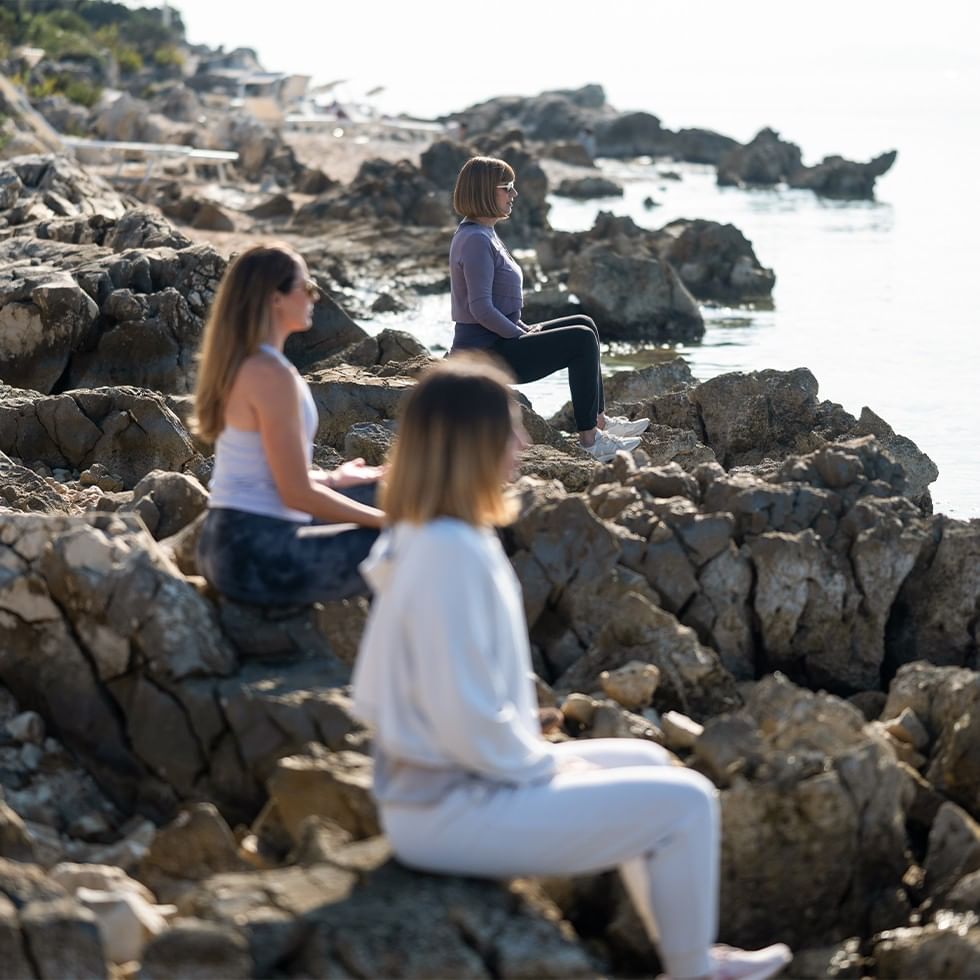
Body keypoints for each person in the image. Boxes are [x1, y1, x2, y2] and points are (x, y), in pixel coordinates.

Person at [352, 357, 792, 980]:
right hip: (446, 811)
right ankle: (693, 971)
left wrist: (534, 755)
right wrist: (536, 766)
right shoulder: (446, 555)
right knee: (688, 803)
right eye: (511, 430)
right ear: (473, 444)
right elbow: (461, 716)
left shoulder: (438, 534)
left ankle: (689, 955)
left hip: (448, 786)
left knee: (647, 760)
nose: (525, 443)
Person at [193, 243, 385, 606]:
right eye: (307, 287)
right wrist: (386, 522)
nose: (315, 296)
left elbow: (264, 477)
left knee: (392, 491)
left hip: (229, 542)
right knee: (409, 543)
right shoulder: (269, 375)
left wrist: (334, 479)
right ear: (275, 298)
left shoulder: (255, 365)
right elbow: (294, 494)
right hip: (256, 555)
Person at [448, 155, 650, 463]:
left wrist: (524, 329)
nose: (514, 194)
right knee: (579, 340)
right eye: (508, 187)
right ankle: (590, 441)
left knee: (585, 323)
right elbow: (480, 309)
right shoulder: (475, 239)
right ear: (485, 191)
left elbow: (496, 306)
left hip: (498, 343)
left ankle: (599, 421)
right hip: (484, 356)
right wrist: (519, 334)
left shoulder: (483, 233)